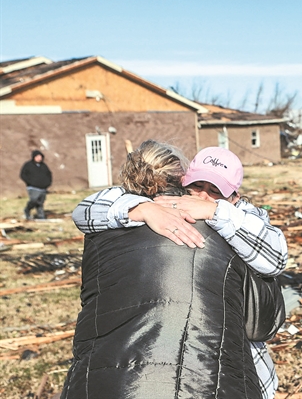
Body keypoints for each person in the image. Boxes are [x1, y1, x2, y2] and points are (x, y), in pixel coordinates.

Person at [72, 145, 288, 399]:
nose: (204, 196)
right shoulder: (161, 205)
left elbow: (276, 257)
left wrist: (215, 213)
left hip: (236, 354)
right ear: (184, 181)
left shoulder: (243, 216)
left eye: (216, 191)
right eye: (198, 186)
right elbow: (83, 211)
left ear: (234, 197)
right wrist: (142, 209)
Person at [20, 150, 52, 220]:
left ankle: (41, 216)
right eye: (37, 157)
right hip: (33, 187)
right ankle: (27, 209)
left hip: (43, 188)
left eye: (40, 157)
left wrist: (48, 183)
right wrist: (30, 182)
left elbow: (49, 174)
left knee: (40, 203)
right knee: (34, 200)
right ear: (34, 157)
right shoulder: (28, 165)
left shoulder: (44, 166)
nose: (39, 158)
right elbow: (23, 175)